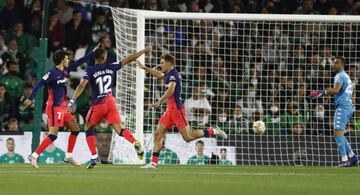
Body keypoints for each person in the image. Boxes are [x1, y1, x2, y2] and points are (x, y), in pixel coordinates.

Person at [137, 53, 227, 169]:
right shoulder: (168, 74)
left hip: (178, 111)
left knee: (188, 137)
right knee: (158, 134)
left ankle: (213, 131)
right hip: (169, 111)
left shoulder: (174, 75)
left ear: (169, 63)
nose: (160, 65)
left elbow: (171, 90)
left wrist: (159, 101)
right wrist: (144, 68)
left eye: (162, 63)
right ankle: (153, 163)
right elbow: (158, 75)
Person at [67, 46, 151, 169]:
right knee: (119, 129)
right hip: (111, 102)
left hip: (98, 104)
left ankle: (94, 156)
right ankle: (134, 141)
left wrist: (72, 101)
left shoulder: (90, 70)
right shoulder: (111, 67)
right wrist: (144, 51)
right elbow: (129, 59)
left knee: (88, 127)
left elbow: (81, 85)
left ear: (94, 58)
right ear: (105, 57)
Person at [22, 45, 99, 168]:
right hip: (54, 107)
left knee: (76, 129)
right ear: (62, 60)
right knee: (53, 135)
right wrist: (30, 98)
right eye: (67, 58)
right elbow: (39, 84)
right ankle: (34, 155)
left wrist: (92, 52)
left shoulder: (65, 71)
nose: (69, 60)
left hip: (63, 107)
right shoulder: (51, 73)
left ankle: (68, 156)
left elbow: (79, 61)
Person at [310, 57, 359, 167]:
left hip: (343, 107)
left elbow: (336, 90)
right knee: (339, 133)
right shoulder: (346, 76)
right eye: (334, 63)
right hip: (348, 106)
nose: (334, 65)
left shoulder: (339, 75)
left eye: (336, 63)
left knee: (337, 133)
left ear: (342, 64)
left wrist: (321, 92)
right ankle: (352, 156)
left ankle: (345, 159)